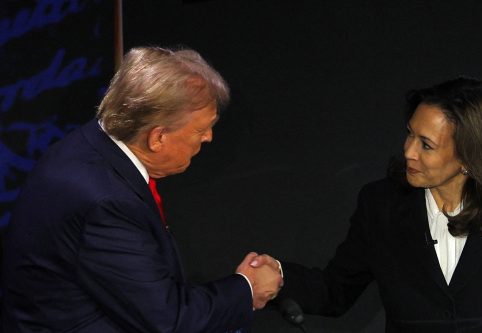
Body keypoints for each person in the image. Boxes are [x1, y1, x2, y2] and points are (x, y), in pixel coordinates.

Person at [265, 77, 482, 332]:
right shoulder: (380, 206)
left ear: (469, 154)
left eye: (426, 144)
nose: (409, 151)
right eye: (410, 135)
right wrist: (274, 276)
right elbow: (334, 291)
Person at [1, 46, 283, 332]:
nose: (208, 138)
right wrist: (247, 289)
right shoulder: (107, 201)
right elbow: (170, 320)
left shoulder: (89, 143)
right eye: (200, 130)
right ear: (157, 137)